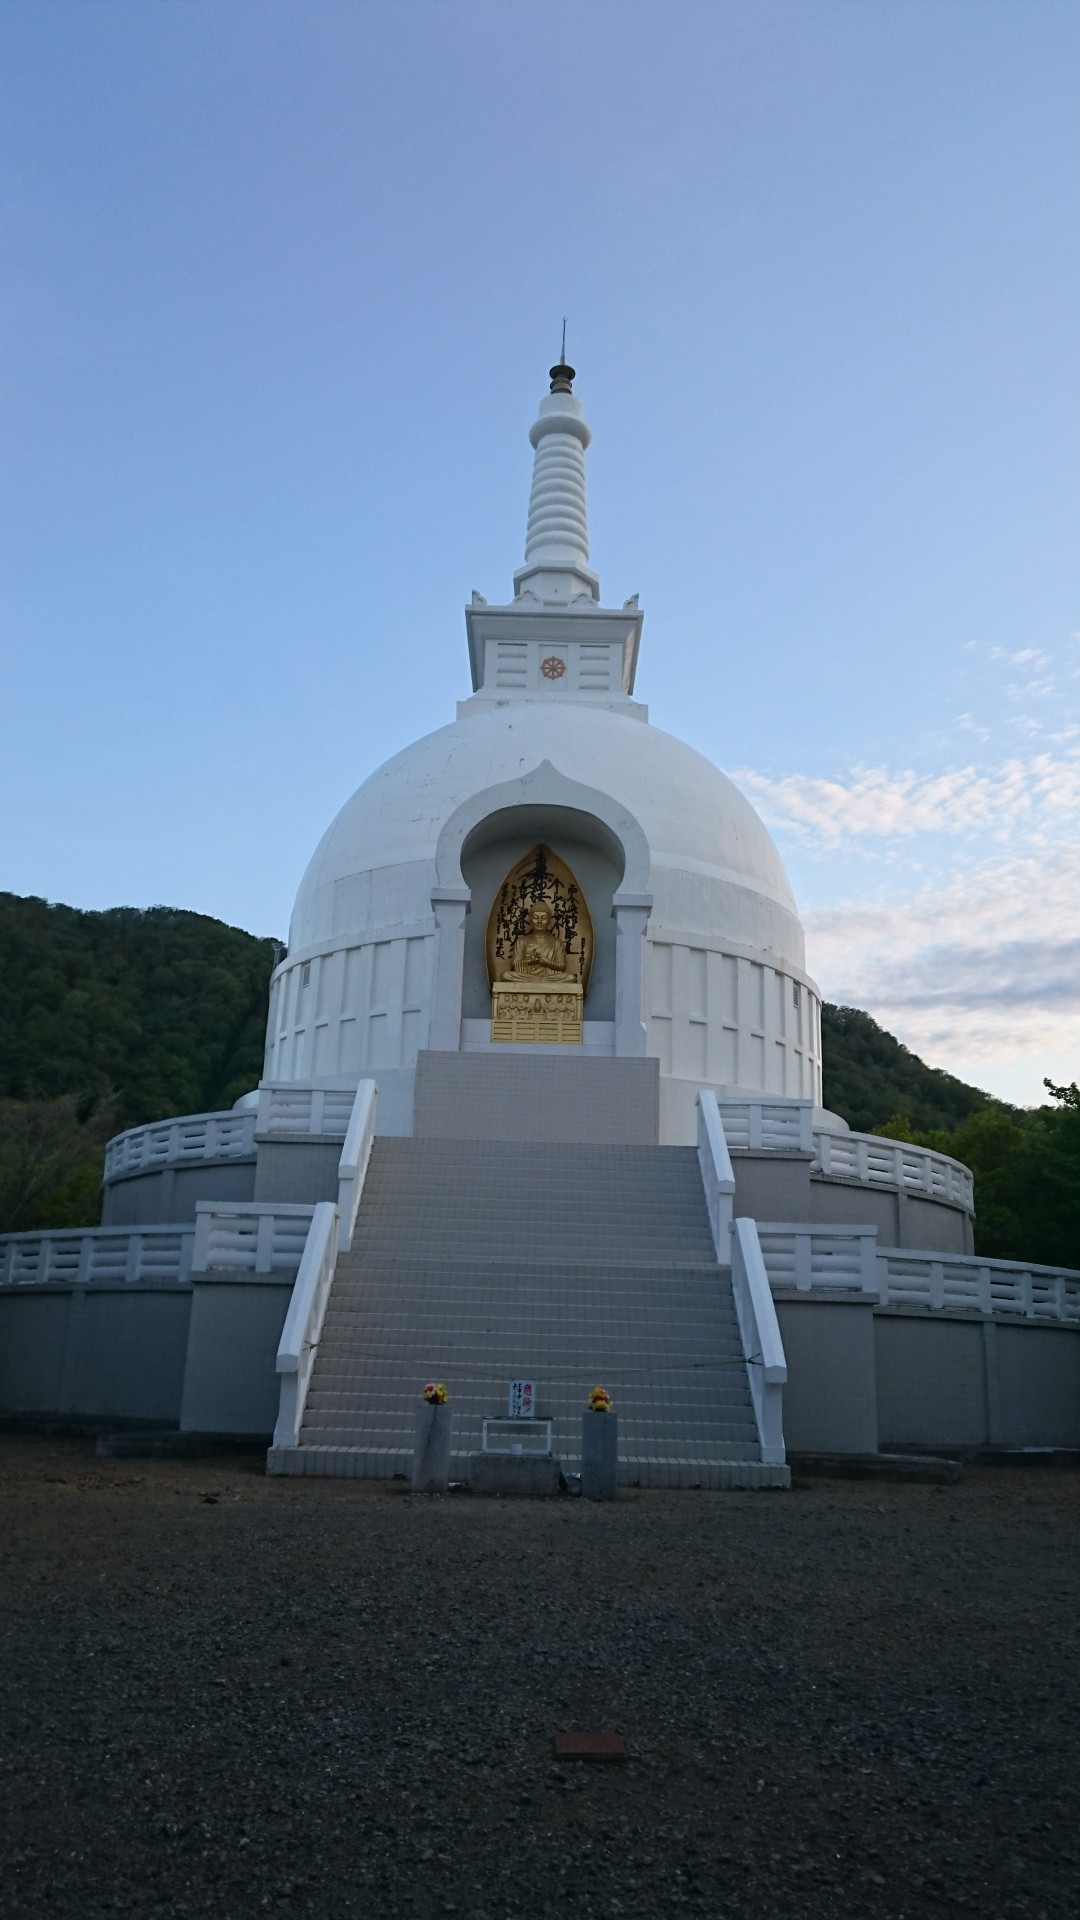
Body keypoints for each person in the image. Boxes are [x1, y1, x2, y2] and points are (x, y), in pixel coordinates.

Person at [500, 900, 568, 981]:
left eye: (543, 918)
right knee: (505, 975)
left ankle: (540, 981)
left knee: (570, 978)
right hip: (527, 976)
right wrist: (531, 961)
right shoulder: (521, 941)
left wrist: (548, 962)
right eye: (535, 917)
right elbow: (515, 964)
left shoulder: (557, 942)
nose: (539, 921)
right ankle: (537, 980)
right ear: (530, 921)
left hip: (549, 977)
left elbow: (562, 966)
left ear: (549, 922)